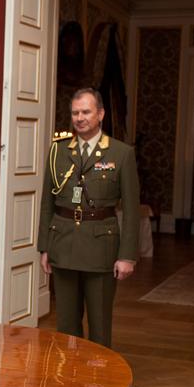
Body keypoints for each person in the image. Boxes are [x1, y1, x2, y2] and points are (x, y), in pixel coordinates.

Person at [37, 88, 139, 347]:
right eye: (75, 113)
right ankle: (69, 376)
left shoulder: (120, 153)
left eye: (86, 112)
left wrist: (127, 255)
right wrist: (44, 247)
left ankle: (99, 381)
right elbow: (47, 202)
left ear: (101, 114)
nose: (80, 118)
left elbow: (131, 208)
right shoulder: (58, 151)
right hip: (64, 245)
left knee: (99, 323)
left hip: (100, 248)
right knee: (66, 325)